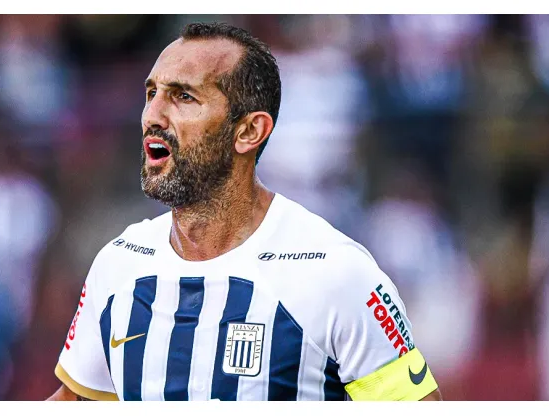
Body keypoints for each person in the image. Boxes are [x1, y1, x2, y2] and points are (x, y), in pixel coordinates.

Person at [46, 22, 442, 401]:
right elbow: (78, 400)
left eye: (183, 96)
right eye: (152, 94)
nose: (153, 115)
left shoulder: (334, 273)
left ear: (249, 131)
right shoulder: (119, 265)